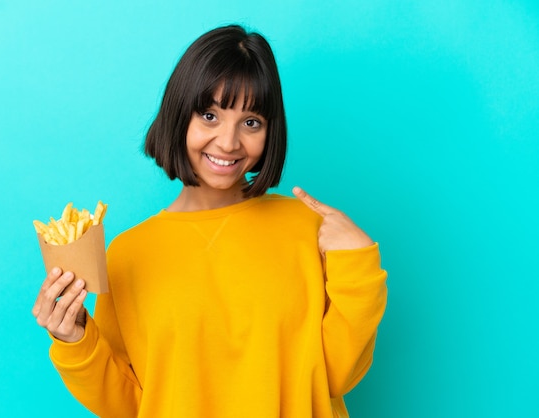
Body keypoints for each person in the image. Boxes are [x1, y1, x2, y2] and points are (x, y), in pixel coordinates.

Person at [33, 24, 387, 418]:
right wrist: (75, 339)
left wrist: (357, 267)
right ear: (178, 115)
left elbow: (334, 379)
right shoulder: (128, 254)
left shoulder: (307, 228)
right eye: (209, 115)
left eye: (251, 122)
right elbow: (132, 404)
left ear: (271, 131)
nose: (229, 142)